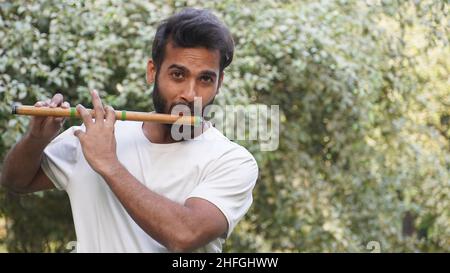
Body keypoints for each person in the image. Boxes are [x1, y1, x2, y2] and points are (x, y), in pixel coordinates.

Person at [0, 8, 258, 253]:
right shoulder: (95, 137)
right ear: (152, 71)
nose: (190, 95)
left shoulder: (232, 160)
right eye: (178, 75)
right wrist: (36, 139)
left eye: (205, 79)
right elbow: (15, 181)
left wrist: (108, 164)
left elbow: (185, 234)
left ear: (219, 83)